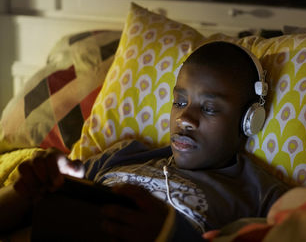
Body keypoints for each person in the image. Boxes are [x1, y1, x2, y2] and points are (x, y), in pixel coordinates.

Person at [0, 41, 290, 241]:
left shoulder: (261, 194)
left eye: (210, 108)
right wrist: (25, 193)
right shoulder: (124, 155)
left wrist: (168, 235)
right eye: (179, 101)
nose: (185, 119)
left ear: (249, 121)